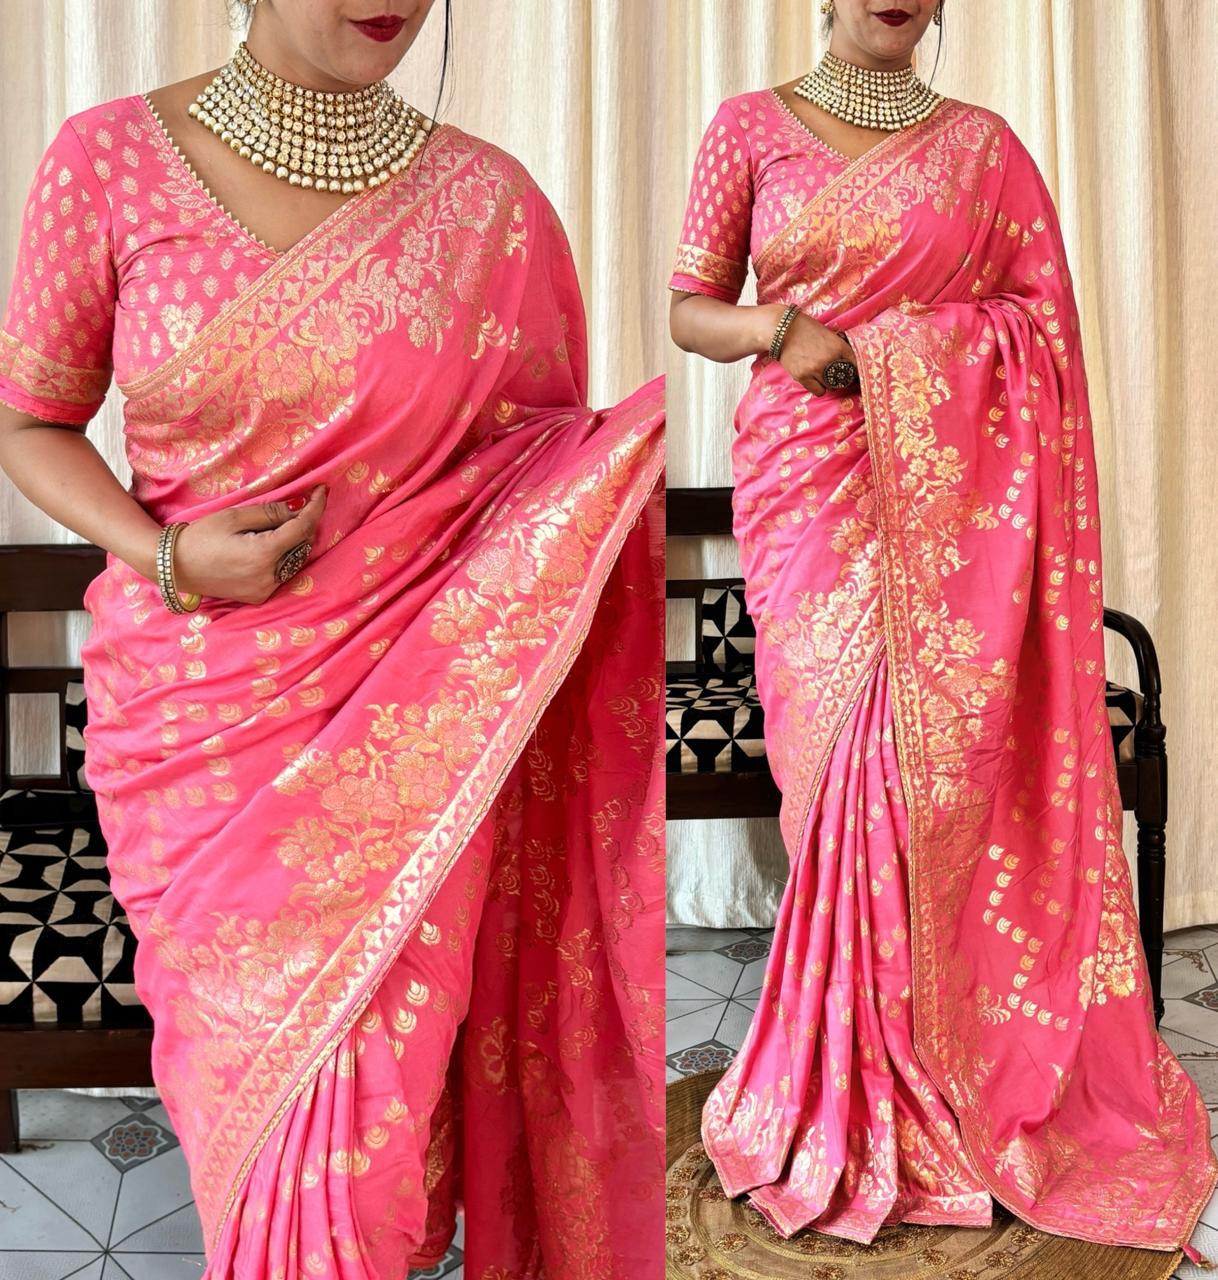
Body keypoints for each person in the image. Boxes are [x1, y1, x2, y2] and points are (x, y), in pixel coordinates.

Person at [0, 1, 665, 1275]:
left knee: (367, 1154)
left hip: (414, 742)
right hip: (201, 745)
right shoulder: (109, 162)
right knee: (265, 1126)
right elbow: (31, 421)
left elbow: (533, 482)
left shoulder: (493, 208)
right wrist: (164, 553)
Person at [668, 0, 1216, 1266]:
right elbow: (694, 307)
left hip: (951, 515)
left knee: (924, 793)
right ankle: (843, 1081)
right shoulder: (747, 129)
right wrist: (781, 332)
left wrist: (905, 355)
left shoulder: (986, 150)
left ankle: (942, 1069)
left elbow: (1043, 335)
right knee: (846, 787)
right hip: (808, 491)